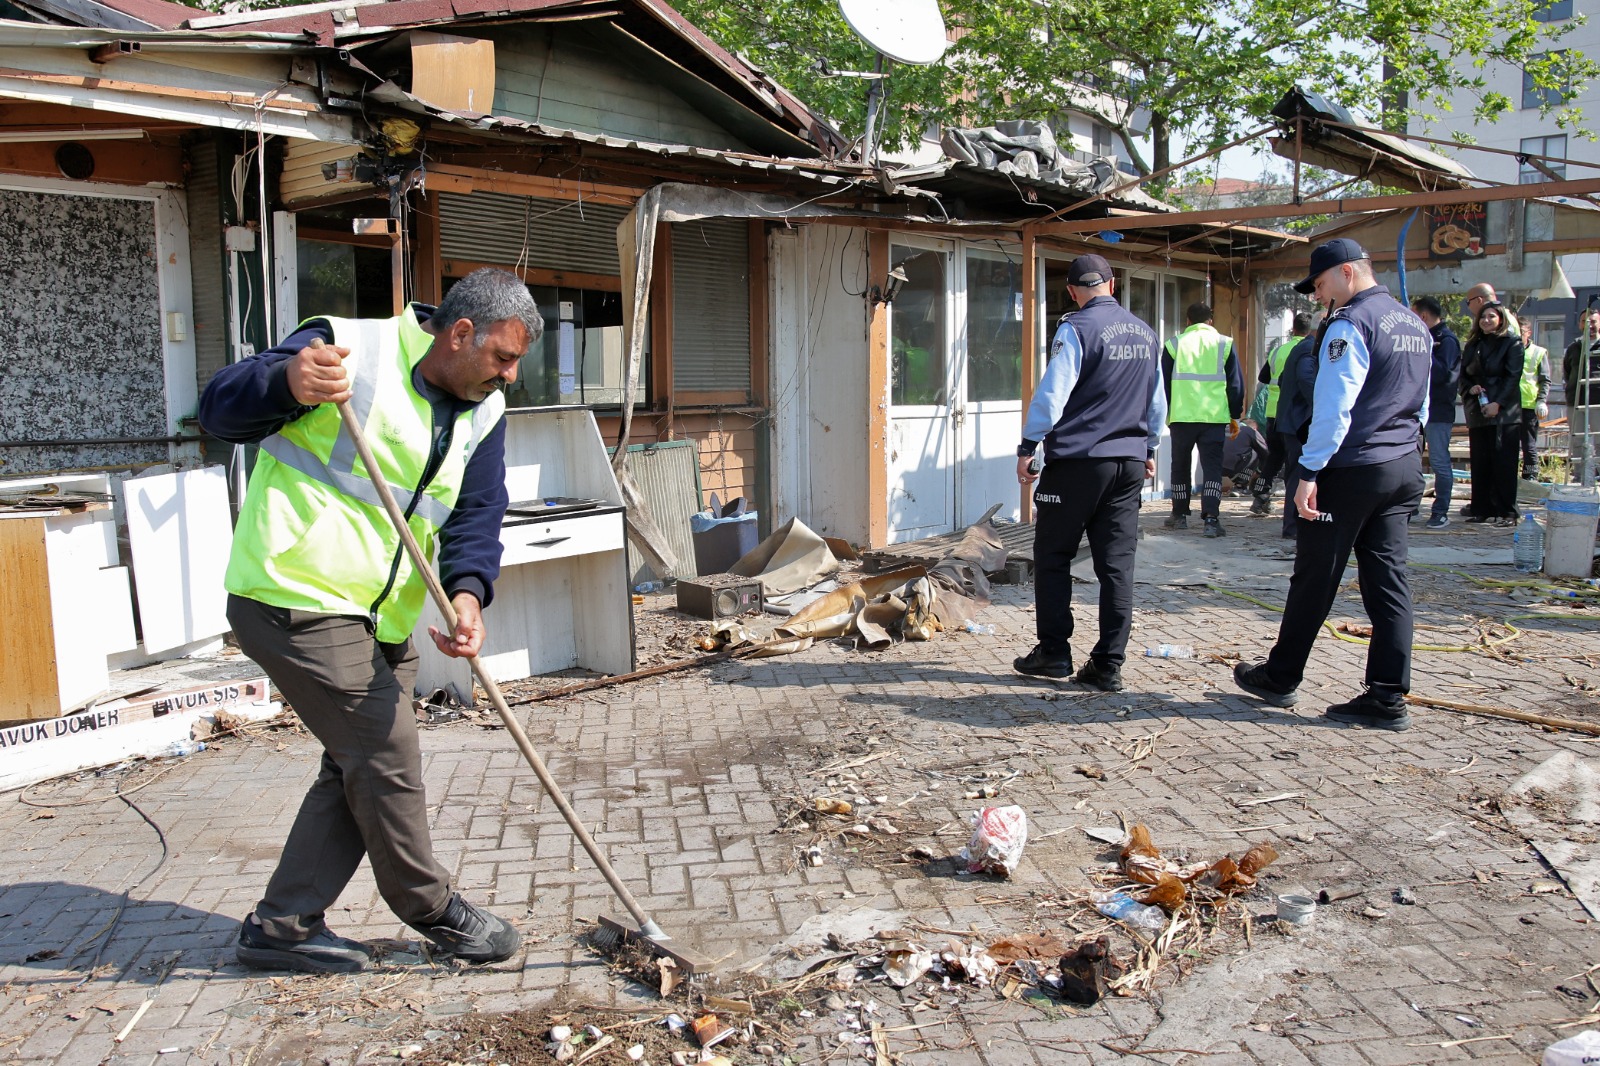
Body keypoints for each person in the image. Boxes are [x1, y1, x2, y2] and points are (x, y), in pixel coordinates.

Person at [198, 268, 543, 974]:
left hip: (381, 617)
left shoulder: (485, 411)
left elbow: (477, 514)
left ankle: (283, 925)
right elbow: (217, 412)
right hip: (294, 593)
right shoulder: (345, 350)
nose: (509, 375)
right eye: (502, 358)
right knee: (384, 752)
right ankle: (432, 907)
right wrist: (285, 383)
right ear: (460, 333)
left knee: (354, 765)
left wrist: (469, 596)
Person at [1232, 238, 1432, 731]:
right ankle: (1387, 694)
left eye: (1321, 285)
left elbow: (1335, 405)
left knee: (1315, 575)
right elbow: (1423, 402)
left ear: (1347, 273)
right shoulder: (1412, 323)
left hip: (1352, 468)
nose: (1320, 297)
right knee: (1389, 581)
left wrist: (1310, 471)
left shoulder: (1350, 324)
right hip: (1402, 463)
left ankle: (1280, 677)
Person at [1015, 253, 1165, 692]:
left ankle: (1054, 653)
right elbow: (1157, 402)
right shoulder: (1146, 332)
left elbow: (1052, 395)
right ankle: (1108, 665)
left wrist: (1028, 446)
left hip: (1079, 463)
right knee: (1117, 567)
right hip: (1129, 465)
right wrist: (1149, 447)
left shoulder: (1076, 329)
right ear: (1113, 284)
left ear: (1072, 292)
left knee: (1054, 556)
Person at [1162, 302, 1244, 537]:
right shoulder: (1224, 343)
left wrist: (1167, 412)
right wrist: (1234, 415)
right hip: (1213, 418)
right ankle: (1211, 519)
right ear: (1210, 321)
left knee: (1179, 466)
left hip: (1181, 417)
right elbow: (1235, 384)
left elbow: (1163, 386)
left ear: (1188, 321)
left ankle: (1179, 516)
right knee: (1212, 468)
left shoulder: (1174, 344)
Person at [1460, 302, 1523, 526]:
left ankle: (1507, 512)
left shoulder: (1512, 343)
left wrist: (1499, 403)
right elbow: (1463, 375)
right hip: (1478, 410)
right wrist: (1471, 388)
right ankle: (1481, 508)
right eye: (1482, 317)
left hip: (1504, 413)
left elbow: (1512, 377)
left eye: (1491, 317)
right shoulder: (1473, 345)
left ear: (1501, 319)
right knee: (1480, 462)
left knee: (1504, 462)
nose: (1486, 320)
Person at [1249, 312, 1314, 516]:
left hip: (1272, 413)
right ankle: (1292, 507)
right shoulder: (1309, 350)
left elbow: (1264, 377)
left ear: (1293, 329)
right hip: (1294, 414)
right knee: (1293, 461)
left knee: (1274, 457)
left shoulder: (1278, 350)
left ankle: (1260, 496)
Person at [1271, 311, 1325, 543]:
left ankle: (1296, 524)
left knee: (1296, 473)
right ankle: (1294, 526)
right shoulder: (1309, 349)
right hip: (1298, 423)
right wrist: (1321, 406)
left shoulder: (1302, 347)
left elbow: (1284, 380)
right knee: (1298, 474)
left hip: (1291, 421)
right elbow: (1304, 378)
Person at [1411, 296, 1460, 529]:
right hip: (1417, 409)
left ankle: (1440, 511)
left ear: (1423, 316)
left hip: (1438, 411)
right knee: (1411, 461)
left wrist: (1427, 352)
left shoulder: (1446, 340)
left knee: (1439, 462)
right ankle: (1411, 507)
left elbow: (1446, 376)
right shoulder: (1424, 339)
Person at [1563, 307, 1600, 484]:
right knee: (1577, 439)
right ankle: (1579, 476)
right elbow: (1567, 371)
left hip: (1598, 401)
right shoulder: (1574, 347)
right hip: (1576, 401)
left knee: (1599, 438)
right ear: (1579, 324)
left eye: (1593, 321)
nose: (1589, 325)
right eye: (1585, 321)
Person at [1518, 323, 1552, 481]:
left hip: (1529, 405)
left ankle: (1531, 475)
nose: (1518, 335)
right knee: (1507, 446)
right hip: (1509, 405)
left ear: (1529, 333)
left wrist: (1542, 401)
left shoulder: (1538, 352)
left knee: (1529, 445)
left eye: (1521, 332)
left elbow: (1545, 379)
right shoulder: (1509, 350)